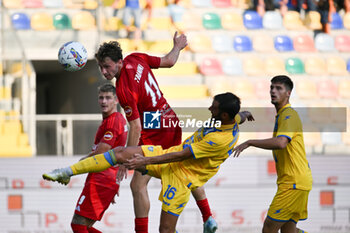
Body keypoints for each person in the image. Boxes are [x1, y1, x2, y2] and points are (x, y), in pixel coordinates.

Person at [43, 92, 254, 233]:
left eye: (214, 108)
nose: (209, 109)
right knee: (121, 152)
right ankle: (67, 172)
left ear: (224, 115)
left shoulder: (219, 139)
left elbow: (181, 156)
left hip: (182, 177)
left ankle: (205, 219)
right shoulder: (230, 118)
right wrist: (247, 114)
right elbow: (241, 116)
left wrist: (146, 161)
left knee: (165, 230)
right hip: (170, 155)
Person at [94, 31, 217, 233]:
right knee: (182, 170)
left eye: (107, 66)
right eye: (101, 67)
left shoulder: (123, 89)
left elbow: (135, 126)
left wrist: (127, 158)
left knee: (137, 186)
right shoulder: (136, 58)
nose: (104, 71)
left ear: (119, 62)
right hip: (169, 120)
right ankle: (208, 217)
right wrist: (177, 46)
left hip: (155, 131)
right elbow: (169, 61)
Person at [233, 75, 313, 233]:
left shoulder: (288, 115)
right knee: (289, 231)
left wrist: (250, 142)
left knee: (269, 228)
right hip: (297, 181)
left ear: (288, 93)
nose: (273, 91)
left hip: (293, 183)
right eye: (271, 87)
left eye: (279, 88)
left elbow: (281, 142)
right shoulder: (284, 115)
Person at [71, 83, 128, 233]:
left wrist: (82, 162)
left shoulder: (113, 121)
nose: (104, 101)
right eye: (101, 98)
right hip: (103, 179)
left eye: (108, 98)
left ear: (116, 100)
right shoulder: (113, 119)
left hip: (102, 179)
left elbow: (101, 153)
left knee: (78, 224)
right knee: (84, 226)